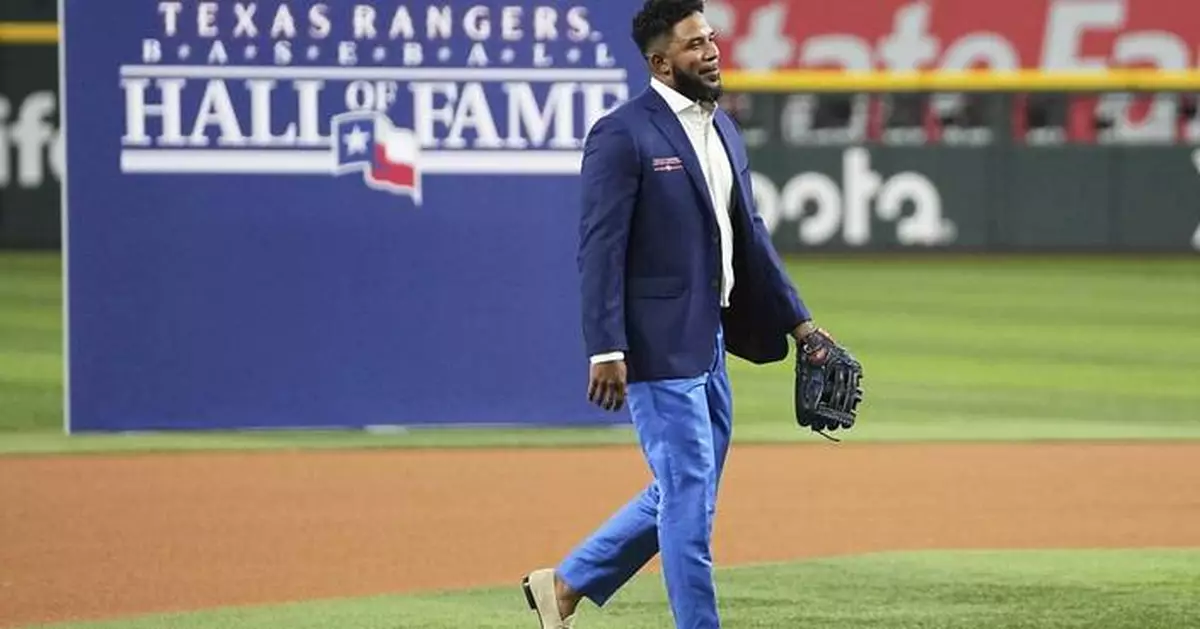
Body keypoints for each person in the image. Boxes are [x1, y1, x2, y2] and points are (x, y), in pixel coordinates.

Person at [521, 1, 832, 627]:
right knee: (689, 499)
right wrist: (606, 347)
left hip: (710, 339)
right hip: (656, 347)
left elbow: (751, 235)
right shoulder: (622, 133)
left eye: (710, 38)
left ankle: (565, 585)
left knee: (685, 488)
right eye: (694, 45)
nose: (711, 52)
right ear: (661, 63)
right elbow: (600, 249)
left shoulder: (724, 129)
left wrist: (802, 324)